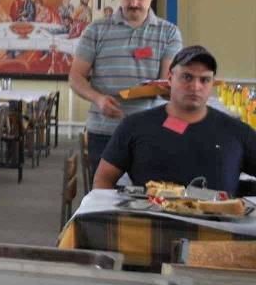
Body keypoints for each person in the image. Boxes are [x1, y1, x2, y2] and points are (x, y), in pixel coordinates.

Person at [68, 0, 183, 176]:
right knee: (103, 193)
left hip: (149, 132)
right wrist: (99, 99)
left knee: (149, 192)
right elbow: (75, 77)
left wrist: (174, 89)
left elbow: (167, 84)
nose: (134, 3)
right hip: (104, 132)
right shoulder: (95, 30)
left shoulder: (169, 33)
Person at [94, 46, 256, 195]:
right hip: (149, 216)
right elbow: (103, 180)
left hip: (218, 217)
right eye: (187, 77)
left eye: (204, 80)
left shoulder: (237, 132)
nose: (195, 86)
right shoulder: (135, 126)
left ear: (212, 83)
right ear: (170, 78)